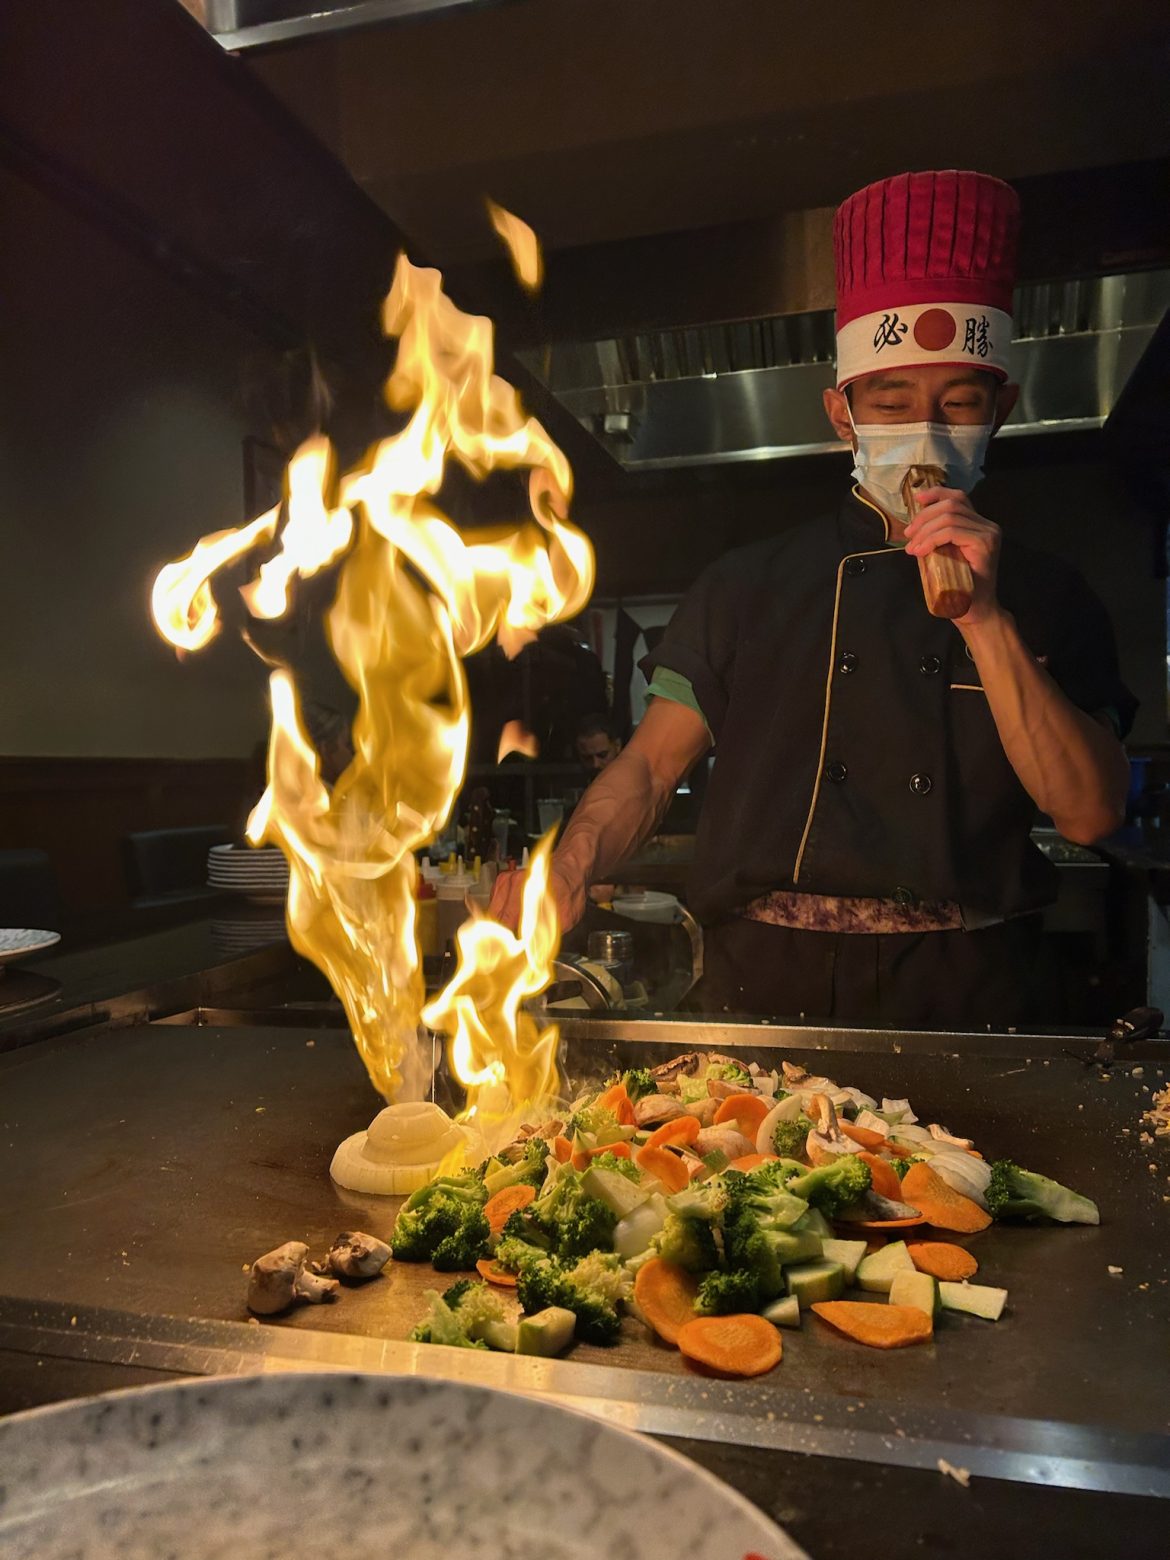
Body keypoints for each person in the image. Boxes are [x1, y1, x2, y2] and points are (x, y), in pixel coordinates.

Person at [490, 171, 1134, 1028]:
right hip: (763, 982)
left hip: (964, 990)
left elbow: (1089, 812)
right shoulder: (747, 586)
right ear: (842, 414)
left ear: (1002, 410)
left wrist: (985, 620)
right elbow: (649, 766)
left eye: (959, 403)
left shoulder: (1050, 595)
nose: (925, 430)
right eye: (891, 401)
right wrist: (567, 866)